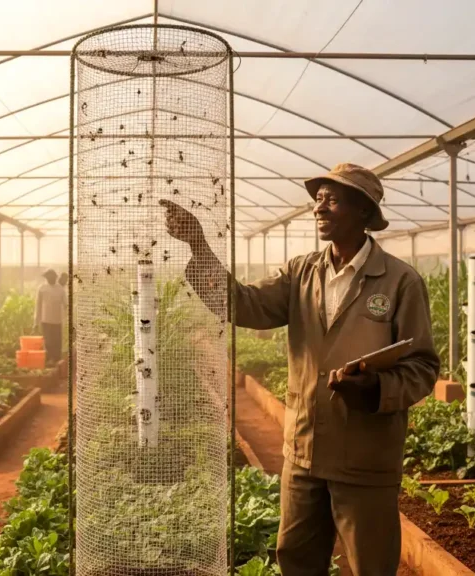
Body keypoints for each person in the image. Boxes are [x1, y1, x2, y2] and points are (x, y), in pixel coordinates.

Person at [163, 163, 439, 576]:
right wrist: (199, 247)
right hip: (305, 452)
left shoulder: (400, 282)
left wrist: (376, 388)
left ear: (363, 212)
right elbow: (242, 304)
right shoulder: (300, 272)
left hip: (364, 456)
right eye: (317, 199)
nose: (318, 208)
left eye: (331, 199)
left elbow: (422, 366)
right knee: (296, 560)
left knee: (370, 565)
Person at [34, 269, 66, 367]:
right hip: (45, 320)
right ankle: (49, 360)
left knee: (56, 341)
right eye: (49, 277)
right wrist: (35, 322)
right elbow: (38, 306)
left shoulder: (60, 289)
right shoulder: (42, 288)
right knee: (48, 341)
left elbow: (65, 304)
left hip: (57, 320)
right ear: (46, 278)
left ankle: (56, 360)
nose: (51, 279)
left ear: (56, 278)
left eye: (52, 277)